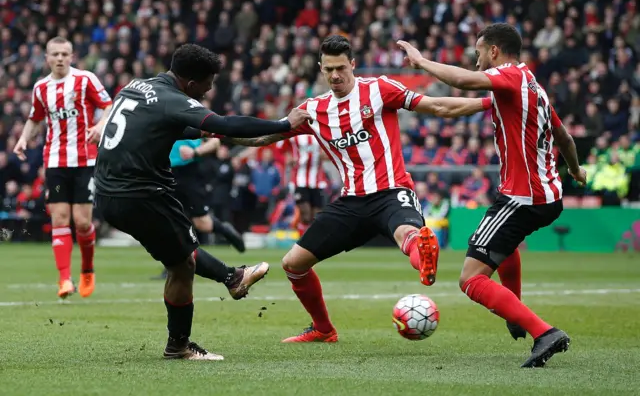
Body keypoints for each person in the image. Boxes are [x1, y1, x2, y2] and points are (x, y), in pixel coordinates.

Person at [225, 35, 492, 343]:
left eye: (341, 68)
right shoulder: (313, 110)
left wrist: (488, 101)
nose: (335, 75)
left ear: (352, 64)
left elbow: (437, 106)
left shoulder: (379, 89)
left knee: (409, 235)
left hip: (391, 191)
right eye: (329, 70)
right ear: (320, 69)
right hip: (351, 202)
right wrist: (217, 130)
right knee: (293, 264)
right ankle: (323, 329)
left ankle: (423, 257)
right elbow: (263, 138)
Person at [93, 43, 310, 360]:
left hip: (107, 193)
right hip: (141, 194)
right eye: (208, 84)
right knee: (182, 266)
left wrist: (198, 132)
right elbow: (224, 123)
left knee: (182, 260)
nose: (209, 91)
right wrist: (284, 124)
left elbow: (150, 125)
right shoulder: (174, 99)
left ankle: (231, 279)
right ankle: (189, 333)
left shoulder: (136, 86)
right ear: (191, 82)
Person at [398, 23, 587, 368]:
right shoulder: (534, 86)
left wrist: (421, 61)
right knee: (506, 244)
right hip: (548, 196)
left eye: (479, 53)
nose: (477, 60)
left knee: (470, 279)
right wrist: (574, 170)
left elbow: (465, 82)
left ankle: (543, 332)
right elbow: (564, 137)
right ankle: (513, 309)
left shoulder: (510, 76)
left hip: (522, 198)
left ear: (495, 51)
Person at [14, 36, 113, 299]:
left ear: (72, 56)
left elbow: (109, 106)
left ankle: (87, 270)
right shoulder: (41, 88)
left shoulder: (85, 79)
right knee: (59, 219)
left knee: (82, 222)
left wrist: (99, 127)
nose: (60, 58)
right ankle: (64, 280)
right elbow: (34, 118)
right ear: (47, 58)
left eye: (64, 54)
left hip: (84, 161)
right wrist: (24, 138)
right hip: (55, 161)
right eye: (55, 54)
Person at [151, 138, 246, 280]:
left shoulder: (192, 120)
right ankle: (171, 267)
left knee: (202, 223)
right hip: (166, 172)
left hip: (189, 174)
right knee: (170, 222)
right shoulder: (162, 119)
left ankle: (225, 229)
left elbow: (215, 142)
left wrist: (195, 152)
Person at [276, 134, 328, 237]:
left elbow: (331, 151)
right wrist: (287, 157)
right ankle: (303, 241)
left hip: (317, 182)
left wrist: (326, 154)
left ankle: (314, 241)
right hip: (299, 181)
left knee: (316, 216)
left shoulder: (320, 132)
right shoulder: (293, 134)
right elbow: (279, 148)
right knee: (305, 214)